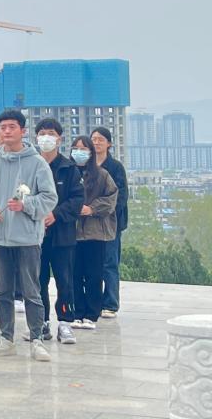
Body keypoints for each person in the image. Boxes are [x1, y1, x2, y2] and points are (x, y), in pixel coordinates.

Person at [0, 110, 58, 363]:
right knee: (2, 290)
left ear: (23, 131)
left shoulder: (37, 163)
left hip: (27, 237)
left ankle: (37, 338)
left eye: (12, 127)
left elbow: (49, 198)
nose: (6, 131)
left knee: (31, 290)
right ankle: (6, 338)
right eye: (3, 127)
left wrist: (25, 205)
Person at [36, 118, 85, 344]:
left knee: (65, 280)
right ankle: (41, 322)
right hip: (35, 235)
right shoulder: (32, 165)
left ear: (59, 139)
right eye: (42, 133)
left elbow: (77, 199)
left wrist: (55, 214)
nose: (46, 138)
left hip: (62, 235)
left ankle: (65, 322)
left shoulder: (69, 169)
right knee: (38, 280)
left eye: (51, 133)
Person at [71, 136, 118, 330]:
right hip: (71, 233)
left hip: (95, 232)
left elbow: (112, 198)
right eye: (75, 148)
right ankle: (77, 312)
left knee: (94, 275)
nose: (79, 152)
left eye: (83, 149)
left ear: (91, 152)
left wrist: (92, 208)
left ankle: (92, 313)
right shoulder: (68, 172)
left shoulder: (102, 175)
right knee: (73, 275)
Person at [92, 127, 128, 319]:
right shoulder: (86, 165)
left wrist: (105, 211)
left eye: (100, 139)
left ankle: (111, 303)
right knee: (93, 264)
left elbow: (121, 196)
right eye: (94, 139)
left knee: (110, 263)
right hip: (90, 224)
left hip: (111, 223)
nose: (96, 142)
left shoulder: (115, 167)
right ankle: (95, 301)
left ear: (109, 143)